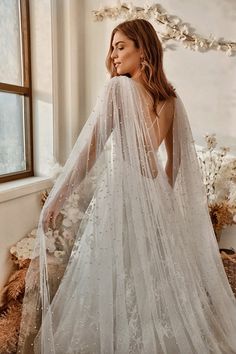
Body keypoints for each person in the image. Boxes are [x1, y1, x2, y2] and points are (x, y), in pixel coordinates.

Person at [17, 19, 236, 354]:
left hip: (120, 198)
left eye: (121, 47)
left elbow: (90, 149)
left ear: (143, 50)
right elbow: (172, 168)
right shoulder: (171, 101)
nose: (113, 55)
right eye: (112, 47)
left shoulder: (118, 89)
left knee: (115, 280)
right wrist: (169, 209)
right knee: (154, 285)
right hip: (156, 202)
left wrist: (59, 196)